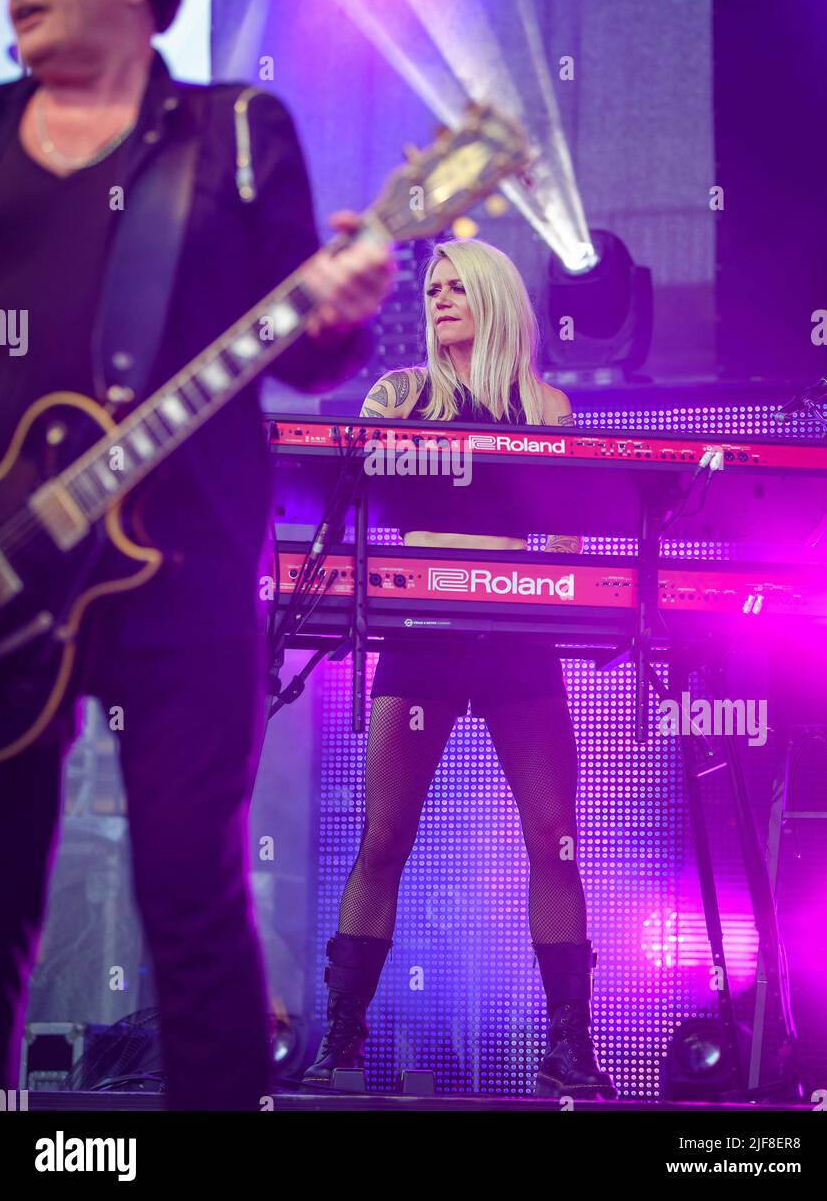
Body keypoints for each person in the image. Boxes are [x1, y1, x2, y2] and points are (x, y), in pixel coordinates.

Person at [0, 0, 393, 1110]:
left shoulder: (237, 136)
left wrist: (342, 313)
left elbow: (314, 355)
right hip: (4, 574)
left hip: (187, 573)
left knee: (188, 886)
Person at [302, 237, 615, 1099]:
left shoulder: (545, 405)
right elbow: (346, 490)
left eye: (454, 286)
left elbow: (571, 542)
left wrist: (547, 579)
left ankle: (569, 1046)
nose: (438, 297)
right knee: (385, 837)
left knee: (556, 836)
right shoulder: (400, 395)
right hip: (422, 628)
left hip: (516, 636)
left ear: (492, 297)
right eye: (431, 287)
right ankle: (344, 1038)